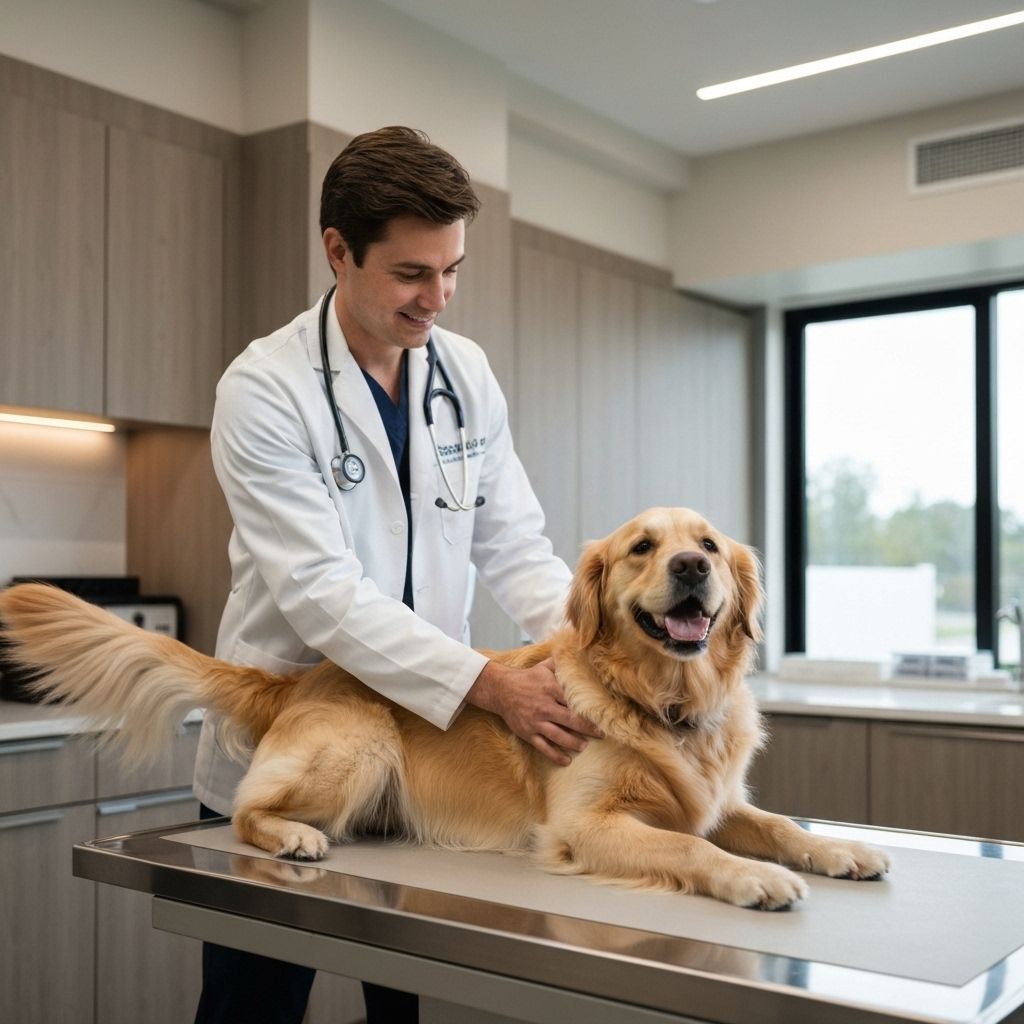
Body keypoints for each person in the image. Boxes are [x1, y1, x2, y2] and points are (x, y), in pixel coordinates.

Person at [192, 125, 601, 1024]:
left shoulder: (466, 373)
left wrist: (592, 656)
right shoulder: (265, 390)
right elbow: (322, 595)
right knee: (253, 1005)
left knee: (403, 1005)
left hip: (424, 754)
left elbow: (516, 544)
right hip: (298, 730)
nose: (440, 299)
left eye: (452, 270)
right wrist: (491, 683)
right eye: (414, 273)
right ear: (338, 251)